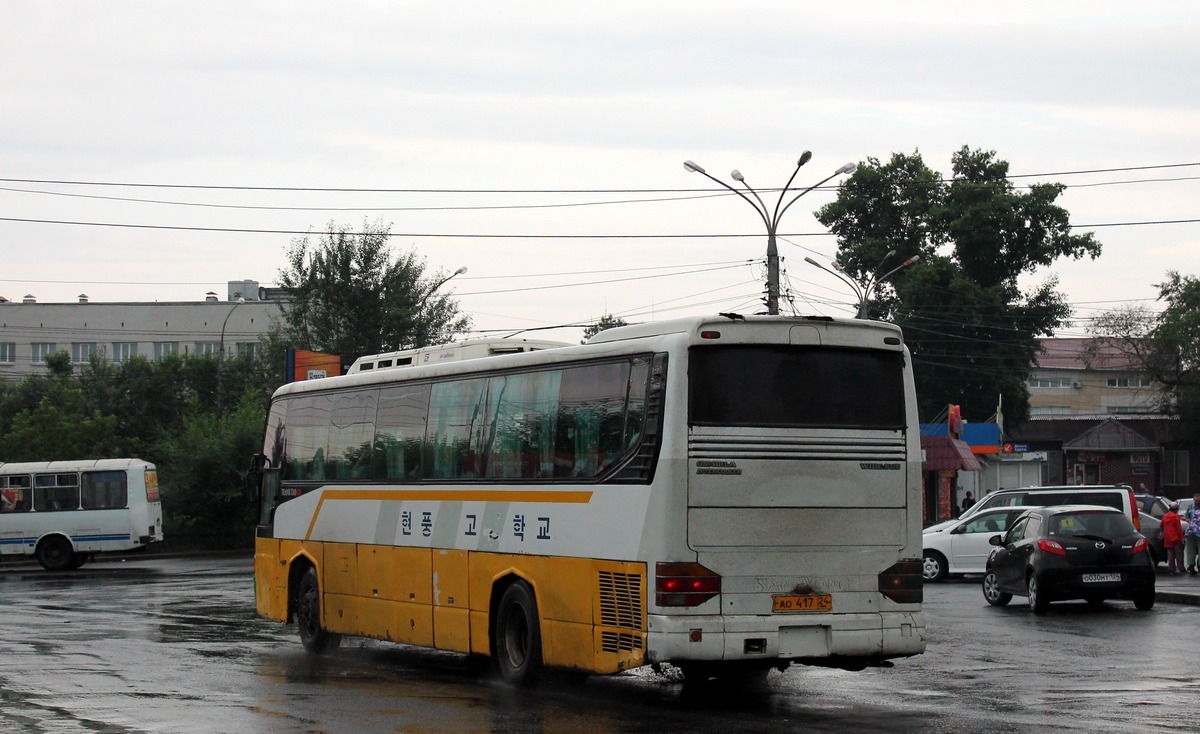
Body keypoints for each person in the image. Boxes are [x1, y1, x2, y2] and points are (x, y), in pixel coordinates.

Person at [1162, 501, 1185, 574]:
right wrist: (1182, 538)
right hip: (1176, 538)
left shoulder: (1165, 516)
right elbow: (1179, 529)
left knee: (1170, 555)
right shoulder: (1176, 517)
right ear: (1176, 509)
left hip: (1167, 538)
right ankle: (1180, 568)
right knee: (1179, 553)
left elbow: (1161, 524)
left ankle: (1171, 569)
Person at [1184, 493, 1200, 575]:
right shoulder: (1190, 507)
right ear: (1193, 500)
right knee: (1191, 550)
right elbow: (1185, 516)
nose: (1197, 502)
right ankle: (1191, 566)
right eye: (1196, 500)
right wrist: (1190, 522)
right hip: (1191, 532)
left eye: (1198, 501)